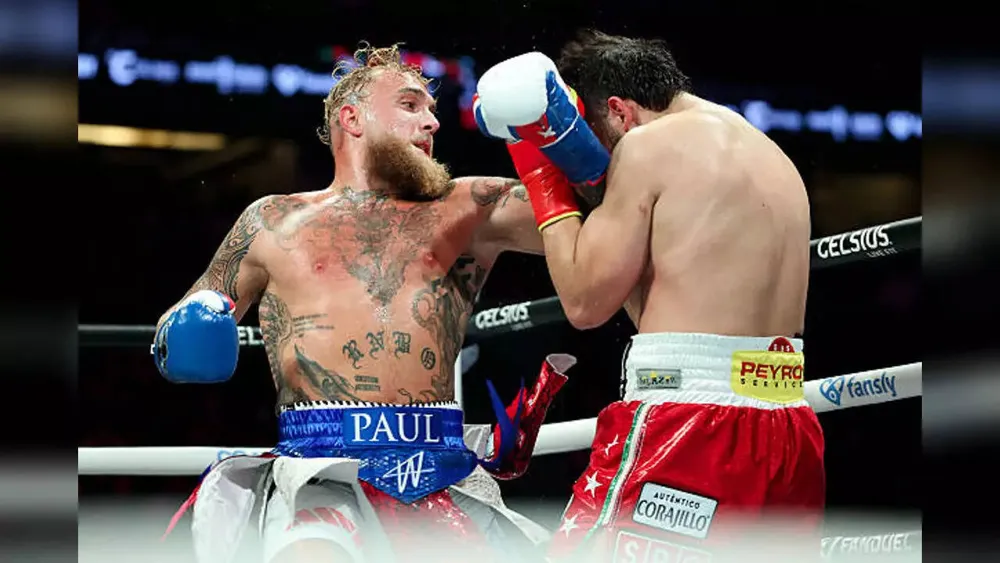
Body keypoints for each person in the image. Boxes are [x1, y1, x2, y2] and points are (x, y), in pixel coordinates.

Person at [152, 44, 575, 563]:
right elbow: (179, 329)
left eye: (433, 110)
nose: (432, 123)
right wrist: (196, 322)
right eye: (410, 105)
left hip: (439, 471)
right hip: (317, 470)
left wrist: (561, 139)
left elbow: (591, 225)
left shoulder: (467, 206)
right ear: (351, 118)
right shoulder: (271, 221)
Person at [474, 30, 825, 561]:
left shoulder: (645, 146)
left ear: (619, 112)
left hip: (689, 424)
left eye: (596, 139)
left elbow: (586, 304)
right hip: (787, 423)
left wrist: (544, 174)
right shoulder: (764, 150)